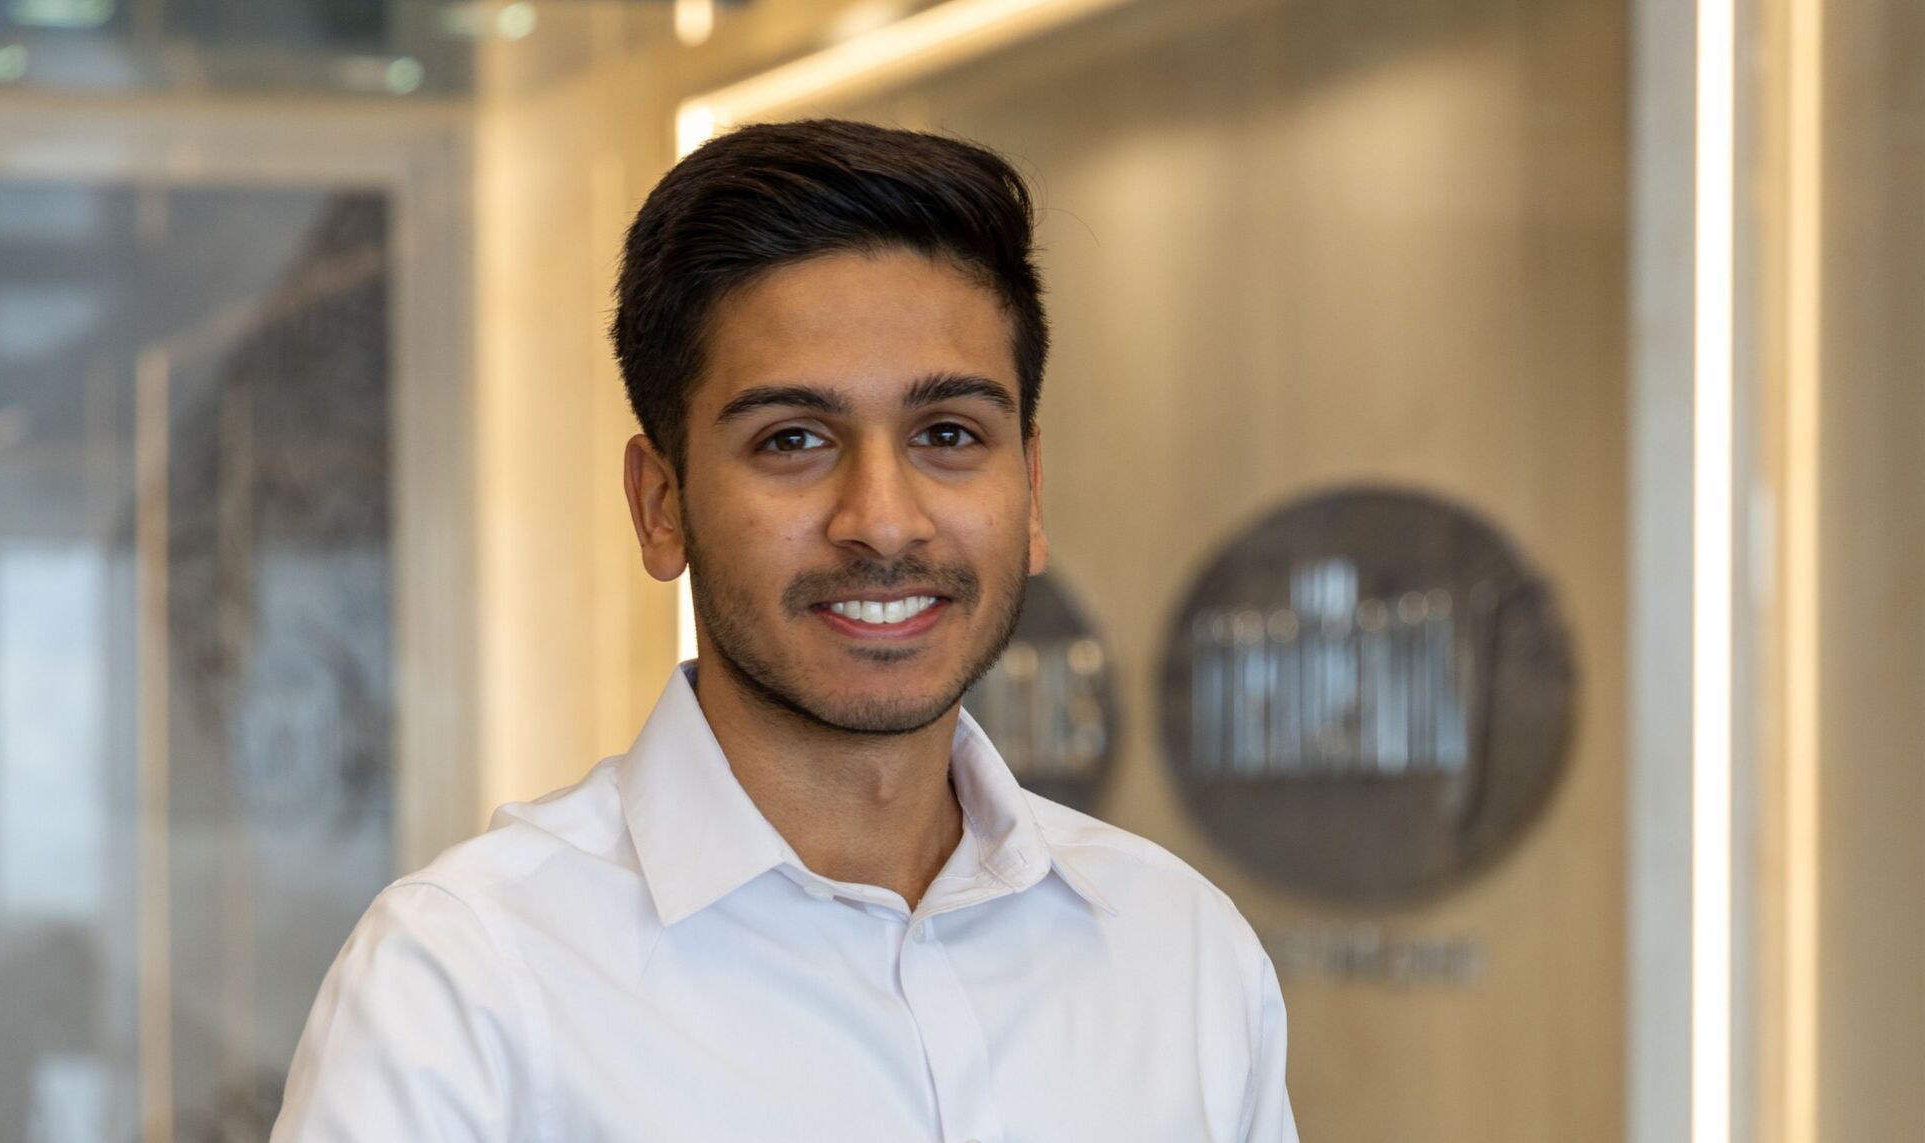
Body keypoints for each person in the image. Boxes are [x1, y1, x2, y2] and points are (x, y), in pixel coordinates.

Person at [272, 118, 1298, 1142]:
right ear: (660, 504)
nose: (883, 519)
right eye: (793, 440)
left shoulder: (1183, 955)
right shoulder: (468, 982)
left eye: (947, 434)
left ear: (1028, 491)